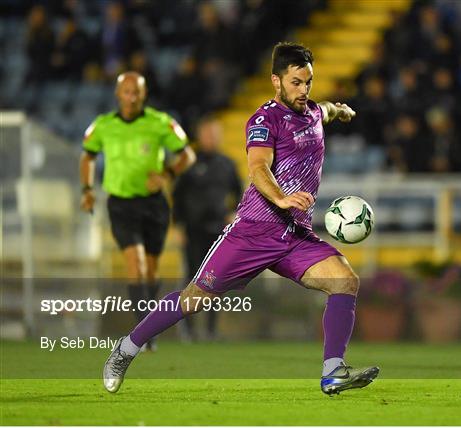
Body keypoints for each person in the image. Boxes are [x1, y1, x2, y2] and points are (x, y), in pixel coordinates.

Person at [103, 42, 379, 396]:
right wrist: (281, 197)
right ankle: (125, 349)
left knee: (344, 280)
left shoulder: (310, 111)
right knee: (193, 300)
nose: (303, 90)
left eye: (308, 82)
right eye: (295, 82)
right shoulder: (264, 120)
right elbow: (258, 166)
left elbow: (319, 111)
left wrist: (336, 110)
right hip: (253, 232)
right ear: (276, 81)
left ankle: (332, 372)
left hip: (294, 236)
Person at [80, 71, 196, 351]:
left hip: (153, 204)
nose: (131, 97)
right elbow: (88, 156)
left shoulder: (159, 123)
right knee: (137, 265)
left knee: (152, 272)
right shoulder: (103, 125)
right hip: (120, 204)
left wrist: (167, 173)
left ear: (144, 94)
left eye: (136, 92)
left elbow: (187, 154)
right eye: (126, 92)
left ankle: (148, 326)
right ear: (118, 94)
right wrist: (87, 189)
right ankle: (143, 335)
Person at [172, 116, 242, 341]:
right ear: (200, 136)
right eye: (208, 134)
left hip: (219, 231)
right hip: (193, 230)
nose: (211, 138)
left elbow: (240, 194)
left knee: (214, 280)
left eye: (215, 134)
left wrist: (234, 214)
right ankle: (189, 329)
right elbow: (177, 196)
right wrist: (178, 226)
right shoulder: (189, 162)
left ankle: (210, 330)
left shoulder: (228, 164)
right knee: (192, 279)